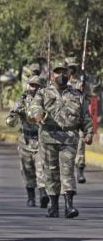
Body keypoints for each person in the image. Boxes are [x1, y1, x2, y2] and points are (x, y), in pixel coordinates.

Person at [28, 60, 93, 218]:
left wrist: (89, 132)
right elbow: (33, 108)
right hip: (48, 137)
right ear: (52, 75)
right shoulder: (43, 93)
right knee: (51, 172)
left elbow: (85, 116)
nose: (62, 75)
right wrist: (38, 115)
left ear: (69, 74)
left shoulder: (77, 95)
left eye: (64, 72)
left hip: (69, 138)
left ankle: (69, 206)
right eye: (58, 72)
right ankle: (54, 205)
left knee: (67, 170)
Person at [5, 75, 48, 208]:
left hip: (41, 141)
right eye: (31, 85)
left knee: (41, 170)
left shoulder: (45, 100)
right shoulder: (22, 100)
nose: (33, 88)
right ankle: (31, 197)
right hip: (25, 141)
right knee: (27, 170)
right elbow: (10, 122)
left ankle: (43, 195)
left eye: (36, 85)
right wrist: (16, 114)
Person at [65, 56, 88, 183]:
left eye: (74, 67)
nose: (72, 70)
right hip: (64, 120)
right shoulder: (62, 82)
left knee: (80, 144)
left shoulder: (81, 82)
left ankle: (80, 170)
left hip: (77, 118)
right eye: (70, 68)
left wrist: (84, 87)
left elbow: (87, 97)